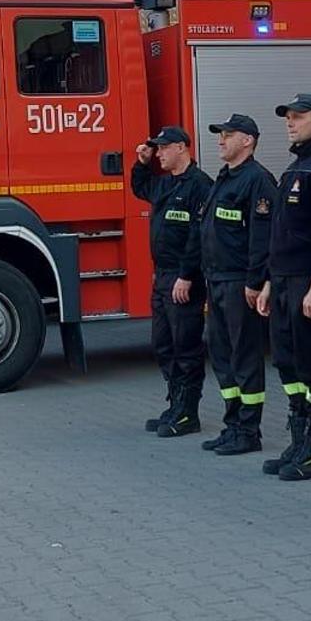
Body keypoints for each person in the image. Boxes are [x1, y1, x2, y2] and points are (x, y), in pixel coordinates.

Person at [255, 93, 311, 480]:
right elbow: (280, 234)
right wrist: (269, 283)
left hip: (308, 283)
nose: (291, 122)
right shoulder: (296, 167)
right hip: (283, 282)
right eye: (288, 117)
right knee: (287, 362)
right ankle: (299, 441)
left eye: (299, 116)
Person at [198, 114, 278, 456]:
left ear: (247, 140)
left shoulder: (257, 181)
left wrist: (255, 281)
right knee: (221, 354)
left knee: (244, 356)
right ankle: (233, 425)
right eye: (220, 135)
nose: (220, 140)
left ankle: (249, 430)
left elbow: (263, 236)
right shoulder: (225, 178)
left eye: (228, 135)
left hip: (238, 283)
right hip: (215, 280)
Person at [131, 126, 213, 438]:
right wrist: (142, 162)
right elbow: (140, 188)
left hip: (183, 278)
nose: (159, 153)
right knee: (163, 344)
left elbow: (198, 236)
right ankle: (175, 403)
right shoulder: (165, 184)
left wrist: (187, 275)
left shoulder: (200, 185)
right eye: (157, 149)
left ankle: (188, 412)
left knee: (186, 347)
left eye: (164, 148)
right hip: (163, 275)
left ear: (182, 148)